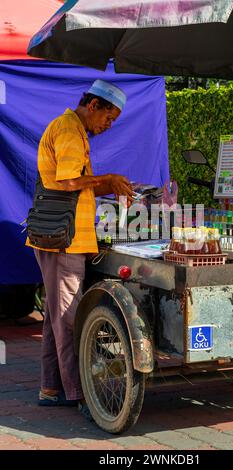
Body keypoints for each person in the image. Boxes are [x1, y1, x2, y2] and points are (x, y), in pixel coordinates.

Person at [26, 79, 134, 418]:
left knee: (55, 319)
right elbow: (69, 181)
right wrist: (108, 179)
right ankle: (78, 393)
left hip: (59, 237)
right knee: (69, 318)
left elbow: (74, 187)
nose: (108, 125)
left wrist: (106, 185)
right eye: (109, 117)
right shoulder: (71, 130)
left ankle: (50, 388)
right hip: (64, 241)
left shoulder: (71, 128)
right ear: (93, 105)